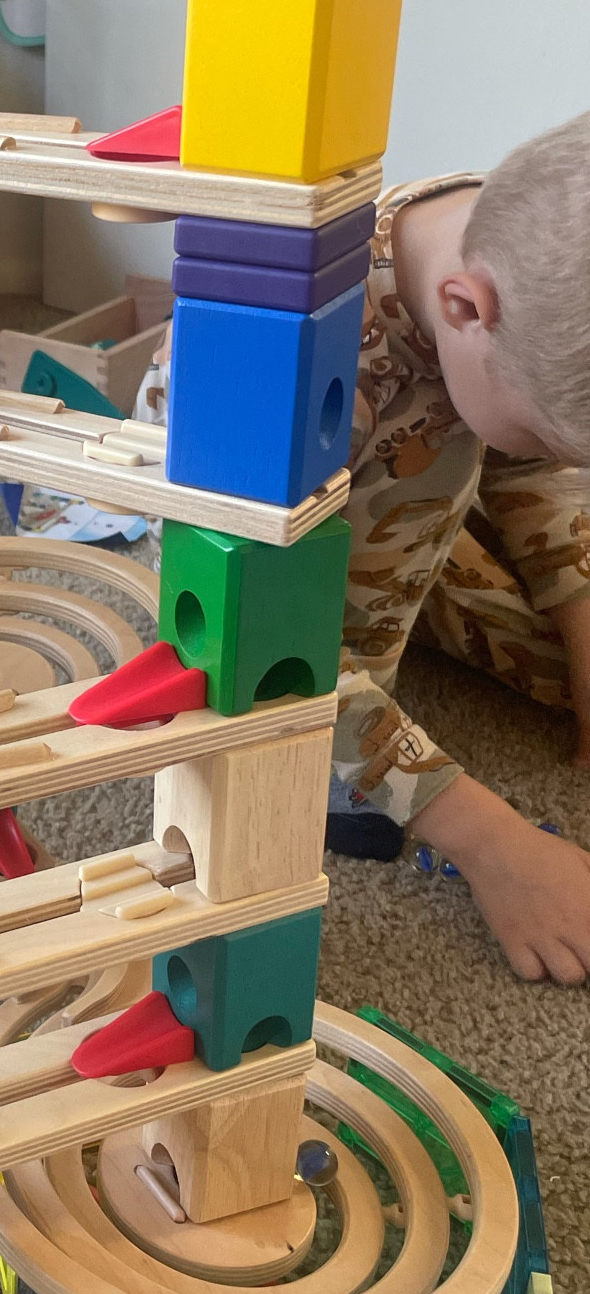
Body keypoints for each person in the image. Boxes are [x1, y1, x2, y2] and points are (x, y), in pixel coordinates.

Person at [144, 111, 590, 984]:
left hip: (406, 500)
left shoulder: (503, 244)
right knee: (266, 687)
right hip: (254, 561)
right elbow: (252, 633)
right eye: (541, 435)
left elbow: (531, 475)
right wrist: (491, 841)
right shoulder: (287, 362)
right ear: (465, 308)